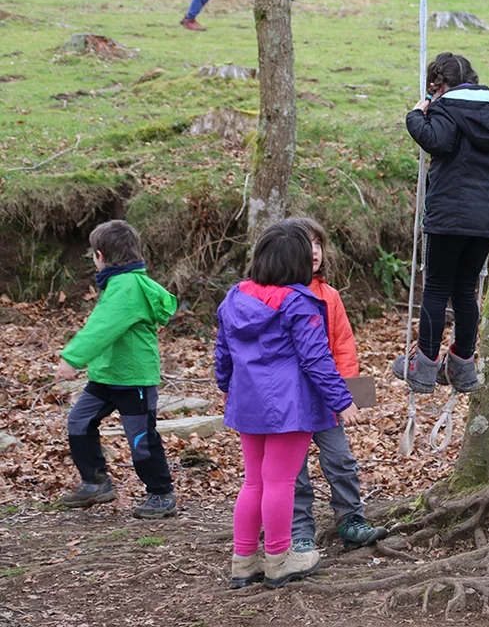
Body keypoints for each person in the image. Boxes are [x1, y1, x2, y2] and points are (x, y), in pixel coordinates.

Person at [215, 221, 362, 590]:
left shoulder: (234, 296)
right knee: (279, 482)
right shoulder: (299, 302)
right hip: (291, 407)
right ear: (297, 260)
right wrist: (343, 400)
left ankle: (243, 561)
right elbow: (317, 359)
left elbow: (223, 353)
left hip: (248, 403)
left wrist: (225, 387)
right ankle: (279, 559)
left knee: (254, 482)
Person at [393, 52, 489, 394]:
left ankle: (424, 367)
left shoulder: (445, 107)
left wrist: (416, 115)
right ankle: (462, 365)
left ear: (437, 85)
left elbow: (437, 141)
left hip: (448, 217)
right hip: (487, 220)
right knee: (466, 290)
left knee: (436, 288)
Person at [57, 220, 179, 519]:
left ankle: (161, 494)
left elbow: (102, 327)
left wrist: (72, 358)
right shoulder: (118, 283)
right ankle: (95, 482)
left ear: (99, 256)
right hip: (106, 376)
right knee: (79, 422)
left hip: (134, 379)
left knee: (141, 440)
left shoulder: (126, 287)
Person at [289, 218, 388, 553]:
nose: (314, 251)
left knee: (341, 461)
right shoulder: (279, 294)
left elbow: (344, 346)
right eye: (307, 244)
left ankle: (351, 521)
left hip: (328, 397)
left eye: (318, 244)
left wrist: (350, 395)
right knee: (294, 471)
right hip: (290, 401)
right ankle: (299, 532)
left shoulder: (330, 295)